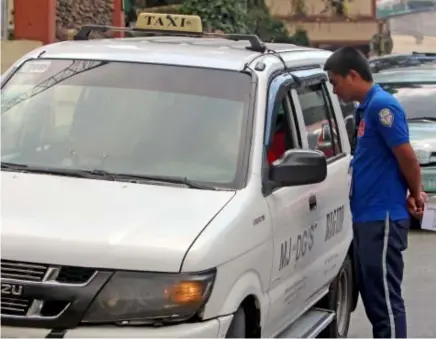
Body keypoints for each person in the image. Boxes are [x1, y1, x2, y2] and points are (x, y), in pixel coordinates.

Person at [323, 46, 424, 338]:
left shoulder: (383, 107)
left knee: (385, 302)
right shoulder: (366, 109)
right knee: (373, 299)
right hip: (367, 217)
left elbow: (406, 156)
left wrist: (415, 193)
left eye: (335, 81)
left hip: (382, 218)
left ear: (353, 75)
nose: (334, 89)